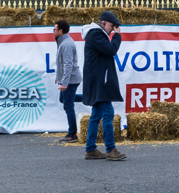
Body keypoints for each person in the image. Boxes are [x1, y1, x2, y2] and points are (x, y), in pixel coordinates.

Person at [82, 10, 125, 160]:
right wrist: (118, 36)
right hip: (100, 82)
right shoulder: (96, 34)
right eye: (111, 26)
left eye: (114, 27)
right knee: (107, 114)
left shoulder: (96, 34)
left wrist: (113, 34)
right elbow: (111, 50)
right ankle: (111, 149)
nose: (112, 29)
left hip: (98, 80)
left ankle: (90, 149)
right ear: (103, 23)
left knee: (96, 115)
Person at [53, 19, 82, 142]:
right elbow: (62, 64)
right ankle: (89, 97)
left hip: (71, 80)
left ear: (60, 31)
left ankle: (72, 134)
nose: (53, 32)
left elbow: (68, 65)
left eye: (54, 29)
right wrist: (59, 78)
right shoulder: (62, 42)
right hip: (68, 79)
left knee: (68, 106)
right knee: (63, 99)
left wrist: (64, 83)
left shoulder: (66, 44)